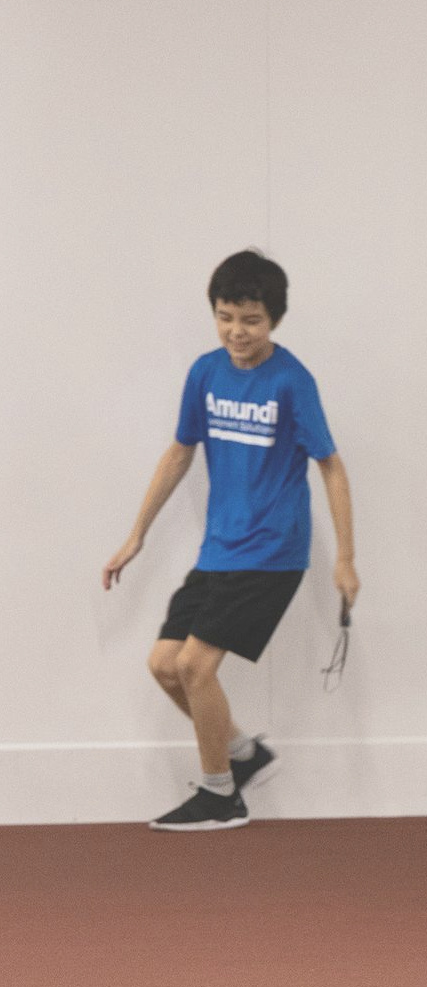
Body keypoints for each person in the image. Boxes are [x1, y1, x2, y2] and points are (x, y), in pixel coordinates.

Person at [102, 250, 359, 830]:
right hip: (220, 548)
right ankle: (244, 755)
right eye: (225, 317)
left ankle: (221, 796)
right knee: (165, 664)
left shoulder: (291, 380)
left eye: (251, 320)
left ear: (274, 320)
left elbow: (331, 466)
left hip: (272, 551)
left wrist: (345, 558)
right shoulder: (205, 373)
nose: (237, 332)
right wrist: (136, 535)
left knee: (195, 666)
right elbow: (180, 452)